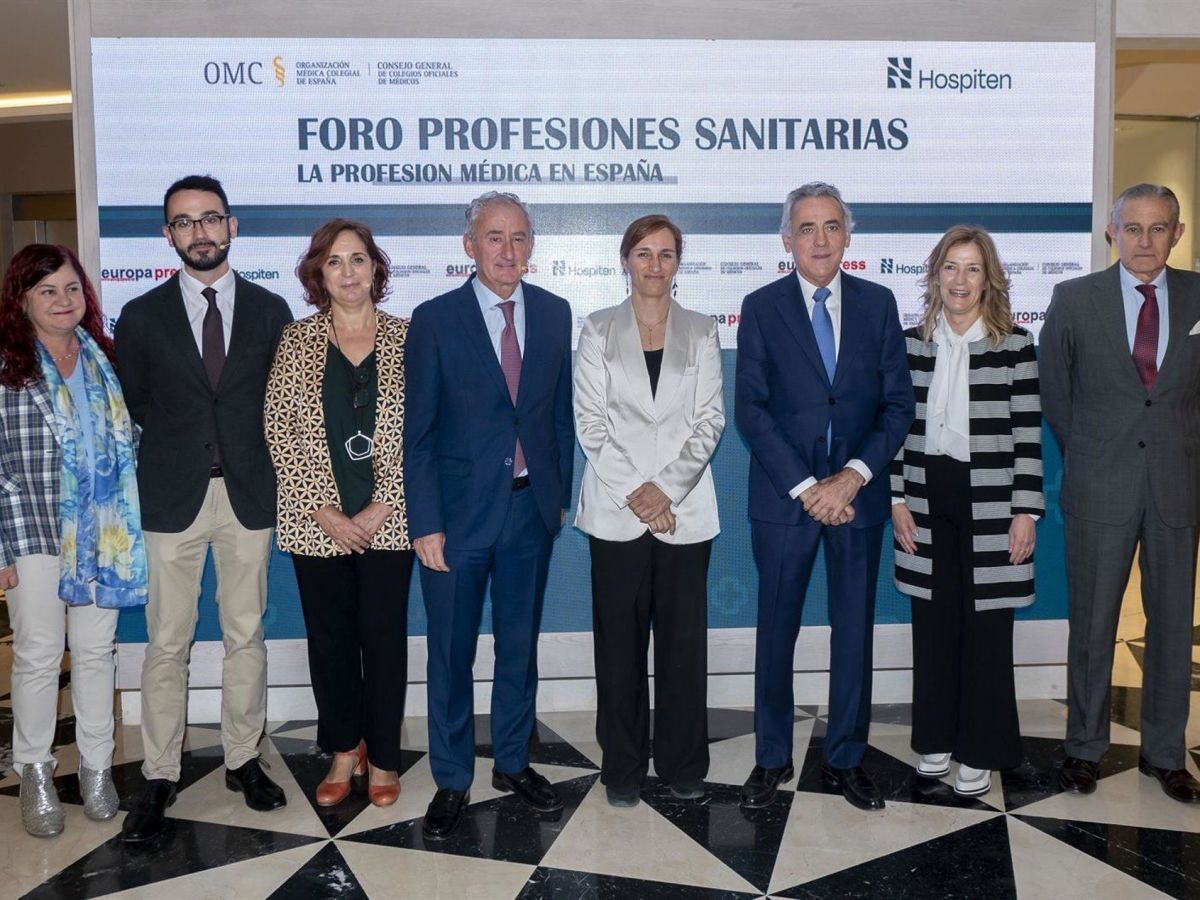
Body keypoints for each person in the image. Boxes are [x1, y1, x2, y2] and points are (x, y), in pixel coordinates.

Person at [115, 175, 294, 842]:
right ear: (168, 235)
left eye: (210, 218)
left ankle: (244, 758)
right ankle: (160, 772)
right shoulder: (140, 316)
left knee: (246, 633)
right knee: (168, 641)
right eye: (184, 222)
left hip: (248, 494)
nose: (200, 232)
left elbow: (282, 401)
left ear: (232, 226)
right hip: (172, 498)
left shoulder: (272, 310)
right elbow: (138, 402)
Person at [735, 182, 914, 811]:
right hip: (786, 499)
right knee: (776, 629)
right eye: (806, 228)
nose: (819, 239)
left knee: (854, 631)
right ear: (787, 239)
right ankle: (771, 758)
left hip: (858, 497)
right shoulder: (760, 306)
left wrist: (853, 476)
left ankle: (845, 758)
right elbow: (751, 410)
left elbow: (898, 406)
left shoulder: (878, 303)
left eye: (831, 226)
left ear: (847, 236)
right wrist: (810, 487)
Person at [404, 191, 574, 840]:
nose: (508, 250)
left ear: (532, 246)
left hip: (530, 512)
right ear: (469, 246)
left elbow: (557, 416)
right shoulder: (435, 320)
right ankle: (452, 777)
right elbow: (418, 434)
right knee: (450, 653)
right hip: (456, 521)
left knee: (518, 646)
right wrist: (425, 522)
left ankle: (512, 761)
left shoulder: (554, 313)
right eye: (495, 237)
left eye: (520, 237)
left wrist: (557, 496)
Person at [1041, 183, 1200, 805]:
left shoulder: (1198, 295)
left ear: (1177, 233)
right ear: (1112, 232)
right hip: (1099, 485)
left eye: (1158, 228)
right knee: (1092, 624)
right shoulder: (1074, 298)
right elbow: (1055, 391)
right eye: (1132, 228)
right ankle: (1083, 749)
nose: (1145, 241)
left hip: (1176, 488)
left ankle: (1166, 754)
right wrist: (1090, 450)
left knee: (1171, 627)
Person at [573, 215, 724, 808]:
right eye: (643, 253)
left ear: (678, 263)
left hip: (685, 512)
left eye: (665, 254)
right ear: (625, 260)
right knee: (619, 648)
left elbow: (710, 421)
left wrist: (667, 491)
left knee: (684, 646)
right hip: (617, 512)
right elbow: (591, 424)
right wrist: (640, 493)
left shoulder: (703, 330)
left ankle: (684, 763)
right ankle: (624, 767)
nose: (654, 265)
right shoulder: (597, 329)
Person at [0, 244, 148, 836]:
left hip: (104, 532)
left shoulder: (102, 359)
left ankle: (96, 767)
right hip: (33, 529)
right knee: (39, 653)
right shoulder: (8, 366)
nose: (63, 301)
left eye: (70, 289)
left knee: (95, 651)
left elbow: (126, 436)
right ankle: (35, 772)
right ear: (22, 301)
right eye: (47, 291)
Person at [265, 219, 413, 808]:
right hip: (315, 523)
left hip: (390, 522)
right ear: (318, 275)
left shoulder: (409, 338)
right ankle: (344, 749)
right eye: (334, 261)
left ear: (375, 267)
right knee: (330, 642)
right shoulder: (295, 340)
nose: (347, 271)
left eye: (357, 259)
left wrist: (383, 504)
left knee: (383, 640)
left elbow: (424, 432)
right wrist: (323, 509)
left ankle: (384, 756)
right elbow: (280, 430)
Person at [890, 226, 1042, 797]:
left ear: (988, 279)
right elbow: (894, 429)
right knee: (933, 625)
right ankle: (935, 739)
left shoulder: (1015, 345)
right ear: (935, 277)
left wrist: (1025, 511)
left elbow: (1028, 434)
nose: (960, 279)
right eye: (950, 267)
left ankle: (980, 749)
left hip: (994, 501)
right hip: (924, 498)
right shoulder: (910, 345)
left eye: (972, 268)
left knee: (986, 630)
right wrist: (896, 499)